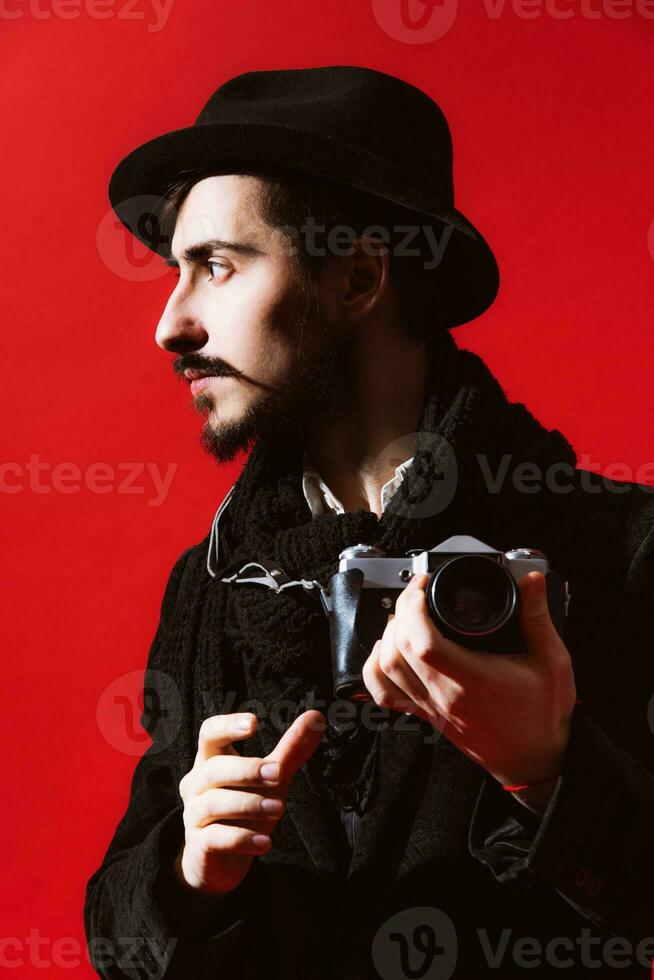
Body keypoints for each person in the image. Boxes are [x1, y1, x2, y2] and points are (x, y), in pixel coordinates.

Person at [84, 66, 654, 979]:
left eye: (217, 266)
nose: (171, 323)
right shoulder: (212, 584)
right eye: (172, 271)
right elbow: (114, 935)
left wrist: (549, 772)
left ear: (356, 277)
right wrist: (186, 876)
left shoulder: (615, 548)